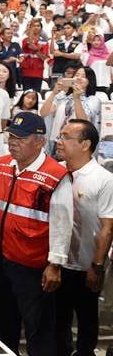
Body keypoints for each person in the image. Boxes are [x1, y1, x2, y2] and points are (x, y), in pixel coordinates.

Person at [0, 112, 73, 356]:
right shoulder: (2, 164)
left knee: (38, 329)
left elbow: (62, 222)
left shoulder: (55, 175)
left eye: (20, 138)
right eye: (10, 136)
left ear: (40, 141)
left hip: (33, 265)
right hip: (0, 257)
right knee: (0, 324)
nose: (13, 142)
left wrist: (55, 264)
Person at [55, 120, 113, 356]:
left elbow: (107, 228)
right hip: (57, 261)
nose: (60, 141)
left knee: (87, 317)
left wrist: (97, 267)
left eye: (67, 137)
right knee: (58, 319)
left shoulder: (102, 179)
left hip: (87, 264)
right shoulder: (56, 172)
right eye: (60, 135)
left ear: (85, 144)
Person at [40, 66, 101, 156]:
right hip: (57, 142)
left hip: (77, 144)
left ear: (90, 81)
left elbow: (84, 122)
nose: (79, 78)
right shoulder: (62, 96)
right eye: (77, 75)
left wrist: (77, 98)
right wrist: (54, 93)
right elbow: (43, 113)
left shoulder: (94, 100)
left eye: (84, 76)